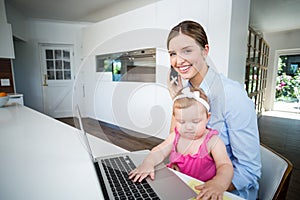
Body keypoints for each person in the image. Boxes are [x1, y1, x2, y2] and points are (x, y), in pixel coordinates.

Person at [166, 20, 261, 199]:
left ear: (205, 50)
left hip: (225, 191)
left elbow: (249, 170)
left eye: (187, 50)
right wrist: (176, 99)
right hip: (191, 184)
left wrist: (209, 188)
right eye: (172, 54)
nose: (178, 61)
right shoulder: (185, 94)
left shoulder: (232, 95)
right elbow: (176, 144)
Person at [129, 87, 234, 200]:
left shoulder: (213, 141)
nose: (188, 127)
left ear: (207, 118)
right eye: (181, 121)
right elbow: (159, 151)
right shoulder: (176, 136)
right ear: (175, 118)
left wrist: (218, 184)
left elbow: (225, 165)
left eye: (195, 121)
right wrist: (148, 163)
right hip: (176, 186)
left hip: (201, 192)